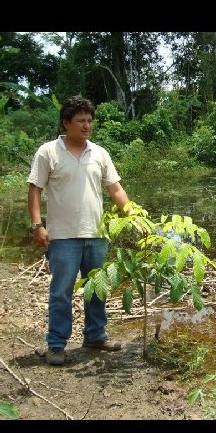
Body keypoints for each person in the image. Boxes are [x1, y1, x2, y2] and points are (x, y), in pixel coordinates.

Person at [28, 96, 132, 365]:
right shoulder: (48, 152)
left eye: (89, 120)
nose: (87, 125)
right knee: (61, 290)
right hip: (62, 236)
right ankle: (57, 344)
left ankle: (95, 335)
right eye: (80, 121)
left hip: (96, 235)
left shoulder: (99, 153)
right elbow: (35, 189)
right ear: (66, 123)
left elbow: (116, 189)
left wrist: (134, 216)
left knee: (96, 288)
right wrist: (38, 225)